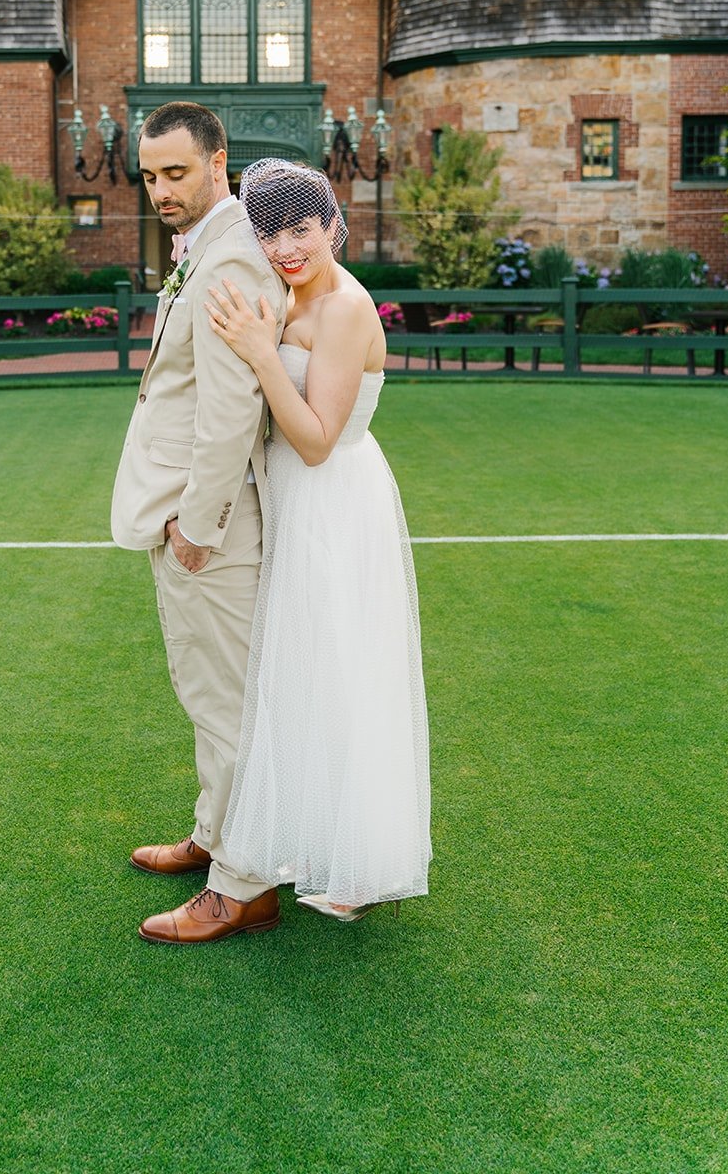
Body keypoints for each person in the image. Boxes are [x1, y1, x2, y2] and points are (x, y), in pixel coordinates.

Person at [206, 158, 431, 921]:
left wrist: (262, 352)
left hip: (333, 501)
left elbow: (314, 440)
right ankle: (307, 834)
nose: (284, 248)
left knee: (339, 669)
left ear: (332, 221)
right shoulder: (290, 292)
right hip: (298, 504)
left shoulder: (340, 309)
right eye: (268, 234)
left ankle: (359, 862)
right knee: (300, 671)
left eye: (299, 228)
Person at [110, 102, 288, 945]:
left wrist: (198, 522)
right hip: (187, 513)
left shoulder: (233, 258)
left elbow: (229, 409)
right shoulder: (207, 249)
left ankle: (243, 886)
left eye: (176, 172)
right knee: (204, 689)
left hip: (208, 525)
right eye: (149, 175)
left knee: (226, 704)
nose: (160, 190)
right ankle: (215, 836)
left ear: (220, 162)